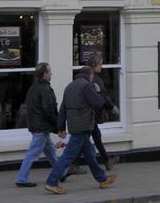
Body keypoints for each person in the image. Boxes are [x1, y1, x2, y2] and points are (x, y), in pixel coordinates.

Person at [43, 65, 116, 195]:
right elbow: (98, 103)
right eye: (92, 76)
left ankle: (102, 179)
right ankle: (52, 182)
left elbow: (63, 109)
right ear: (90, 75)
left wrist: (61, 127)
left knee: (90, 154)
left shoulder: (69, 87)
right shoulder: (86, 86)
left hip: (74, 126)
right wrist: (98, 92)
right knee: (68, 156)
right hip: (83, 126)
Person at [14, 63, 59, 187]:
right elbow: (48, 109)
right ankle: (21, 178)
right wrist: (57, 125)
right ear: (44, 74)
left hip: (36, 124)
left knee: (50, 151)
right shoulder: (45, 89)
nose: (51, 74)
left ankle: (61, 171)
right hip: (42, 126)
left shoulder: (33, 87)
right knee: (33, 153)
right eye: (50, 72)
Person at [86, 57, 117, 167]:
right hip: (91, 115)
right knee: (81, 141)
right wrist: (112, 107)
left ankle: (106, 160)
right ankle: (73, 165)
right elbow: (103, 96)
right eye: (100, 64)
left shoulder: (86, 77)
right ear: (94, 65)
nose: (101, 66)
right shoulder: (95, 79)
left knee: (96, 137)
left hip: (89, 114)